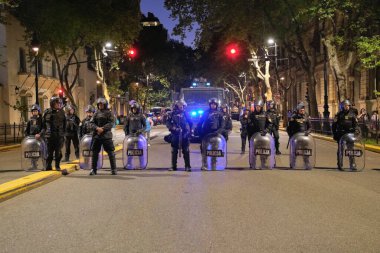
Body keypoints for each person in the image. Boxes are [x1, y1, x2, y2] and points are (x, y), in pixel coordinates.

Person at [89, 98, 117, 175]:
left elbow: (111, 123)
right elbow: (91, 123)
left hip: (106, 136)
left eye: (102, 104)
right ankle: (93, 169)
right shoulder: (95, 113)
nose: (100, 105)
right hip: (97, 135)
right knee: (94, 153)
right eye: (99, 104)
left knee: (111, 152)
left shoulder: (109, 113)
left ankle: (113, 169)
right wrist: (97, 128)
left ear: (105, 105)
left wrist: (103, 128)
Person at [332, 100, 361, 170]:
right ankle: (340, 164)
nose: (346, 107)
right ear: (343, 106)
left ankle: (352, 165)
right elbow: (334, 125)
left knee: (350, 150)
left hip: (350, 135)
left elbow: (356, 125)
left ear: (349, 106)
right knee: (340, 150)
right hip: (341, 134)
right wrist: (334, 134)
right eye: (345, 105)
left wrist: (356, 130)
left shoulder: (352, 114)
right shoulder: (339, 114)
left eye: (347, 105)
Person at [197, 98, 225, 170]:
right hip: (206, 134)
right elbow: (200, 123)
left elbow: (222, 124)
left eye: (214, 104)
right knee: (204, 149)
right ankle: (204, 164)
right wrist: (200, 132)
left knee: (214, 150)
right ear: (210, 105)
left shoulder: (220, 114)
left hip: (215, 134)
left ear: (216, 105)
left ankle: (213, 164)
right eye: (212, 104)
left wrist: (219, 132)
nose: (213, 105)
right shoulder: (206, 113)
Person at [40, 97, 66, 171]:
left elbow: (64, 123)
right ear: (52, 104)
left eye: (59, 103)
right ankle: (48, 166)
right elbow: (43, 124)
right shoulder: (47, 112)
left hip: (59, 135)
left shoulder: (62, 112)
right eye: (57, 103)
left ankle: (57, 166)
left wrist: (63, 134)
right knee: (49, 152)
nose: (58, 105)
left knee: (58, 152)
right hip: (49, 135)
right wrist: (42, 133)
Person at [166, 100, 192, 171]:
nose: (182, 107)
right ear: (177, 106)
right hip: (175, 133)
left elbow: (190, 123)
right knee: (174, 150)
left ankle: (187, 166)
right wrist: (173, 128)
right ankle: (173, 166)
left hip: (184, 134)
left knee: (186, 150)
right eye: (180, 106)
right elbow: (168, 123)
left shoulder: (186, 113)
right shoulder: (172, 114)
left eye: (183, 106)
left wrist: (189, 131)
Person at [287, 102, 312, 169]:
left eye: (303, 110)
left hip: (304, 137)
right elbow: (289, 128)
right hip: (296, 137)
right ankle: (293, 163)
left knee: (305, 150)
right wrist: (291, 136)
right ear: (298, 110)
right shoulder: (294, 117)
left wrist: (308, 132)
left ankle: (307, 163)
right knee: (295, 150)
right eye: (301, 110)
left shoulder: (306, 116)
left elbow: (310, 127)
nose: (302, 111)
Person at [124, 102, 146, 169]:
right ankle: (129, 164)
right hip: (131, 136)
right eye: (133, 109)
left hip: (139, 136)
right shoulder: (129, 116)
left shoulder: (141, 116)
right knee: (130, 151)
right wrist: (127, 135)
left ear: (138, 109)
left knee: (140, 151)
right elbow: (126, 126)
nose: (134, 110)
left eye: (135, 109)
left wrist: (140, 131)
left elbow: (145, 126)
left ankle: (142, 164)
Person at [24, 104, 44, 170]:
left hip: (39, 138)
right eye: (33, 111)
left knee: (41, 152)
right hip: (32, 139)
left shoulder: (41, 120)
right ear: (32, 112)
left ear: (38, 111)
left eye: (36, 111)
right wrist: (27, 137)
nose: (35, 112)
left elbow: (44, 128)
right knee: (32, 152)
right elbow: (27, 130)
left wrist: (40, 134)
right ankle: (34, 165)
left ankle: (44, 165)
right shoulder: (30, 120)